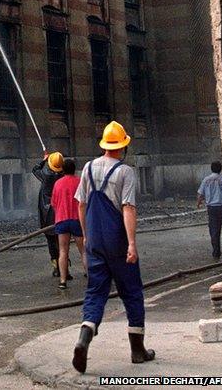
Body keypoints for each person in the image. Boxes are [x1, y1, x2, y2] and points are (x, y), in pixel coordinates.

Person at [72, 120, 154, 374]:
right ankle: (137, 350)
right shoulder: (125, 172)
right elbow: (128, 208)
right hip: (117, 242)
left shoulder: (87, 168)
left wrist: (86, 238)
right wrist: (131, 243)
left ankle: (84, 338)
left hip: (95, 240)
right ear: (123, 147)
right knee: (131, 292)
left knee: (95, 293)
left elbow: (81, 205)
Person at [51, 158, 85, 289]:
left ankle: (63, 281)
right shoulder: (80, 182)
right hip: (77, 220)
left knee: (63, 251)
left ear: (62, 170)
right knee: (83, 251)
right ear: (74, 169)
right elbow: (84, 201)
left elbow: (54, 204)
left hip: (62, 220)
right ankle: (90, 275)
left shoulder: (58, 184)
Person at [32, 150, 64, 277]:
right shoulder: (63, 176)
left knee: (51, 240)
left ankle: (56, 266)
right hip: (60, 211)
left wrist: (44, 159)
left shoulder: (45, 175)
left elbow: (35, 169)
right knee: (61, 241)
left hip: (47, 213)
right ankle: (64, 266)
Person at [197, 160, 222, 259]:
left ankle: (216, 253)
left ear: (211, 168)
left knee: (214, 231)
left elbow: (200, 194)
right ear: (220, 169)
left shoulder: (206, 180)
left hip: (211, 208)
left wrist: (198, 203)